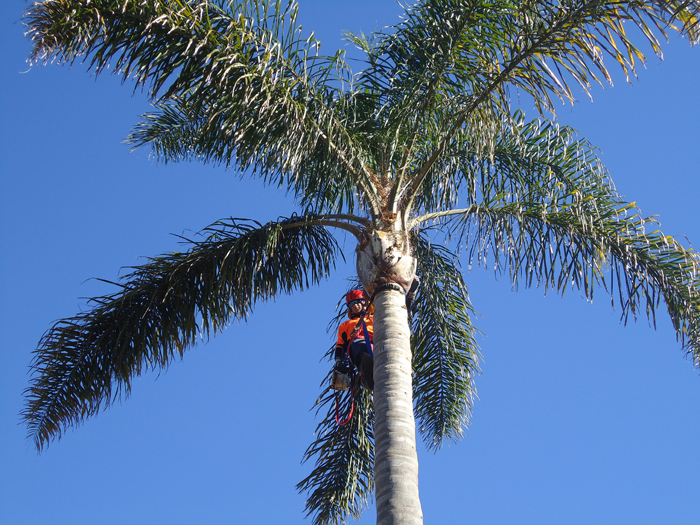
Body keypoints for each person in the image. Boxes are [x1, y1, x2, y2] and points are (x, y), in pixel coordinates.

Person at [334, 290, 374, 391]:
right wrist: (339, 362)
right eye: (351, 304)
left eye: (357, 301)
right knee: (358, 346)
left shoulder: (375, 317)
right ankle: (366, 375)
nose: (355, 305)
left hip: (377, 343)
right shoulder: (345, 325)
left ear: (364, 302)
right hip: (358, 348)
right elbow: (340, 345)